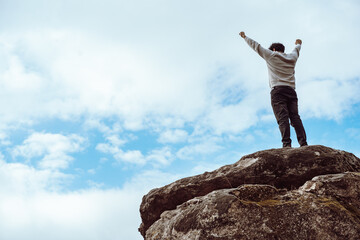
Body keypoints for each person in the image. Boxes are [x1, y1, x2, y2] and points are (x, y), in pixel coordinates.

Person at [239, 31, 307, 148]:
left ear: (274, 49)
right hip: (291, 91)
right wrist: (298, 44)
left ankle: (286, 145)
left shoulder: (271, 55)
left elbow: (256, 46)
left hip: (278, 91)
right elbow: (297, 49)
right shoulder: (292, 57)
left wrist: (245, 37)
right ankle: (303, 143)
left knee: (282, 117)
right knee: (295, 117)